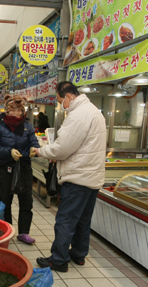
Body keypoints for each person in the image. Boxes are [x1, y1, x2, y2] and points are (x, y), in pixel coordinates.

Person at [31, 81, 106, 272]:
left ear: (69, 97)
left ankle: (58, 259)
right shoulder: (94, 111)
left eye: (59, 100)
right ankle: (79, 254)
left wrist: (40, 152)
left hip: (78, 177)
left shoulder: (78, 115)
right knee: (83, 219)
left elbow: (62, 149)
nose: (60, 105)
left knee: (65, 219)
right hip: (92, 177)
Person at [0, 95, 40, 245]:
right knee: (6, 201)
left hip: (24, 167)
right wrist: (9, 151)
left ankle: (24, 232)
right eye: (13, 110)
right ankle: (8, 230)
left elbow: (34, 142)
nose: (17, 113)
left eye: (20, 110)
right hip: (5, 168)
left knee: (26, 201)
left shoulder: (27, 126)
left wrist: (33, 149)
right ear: (7, 110)